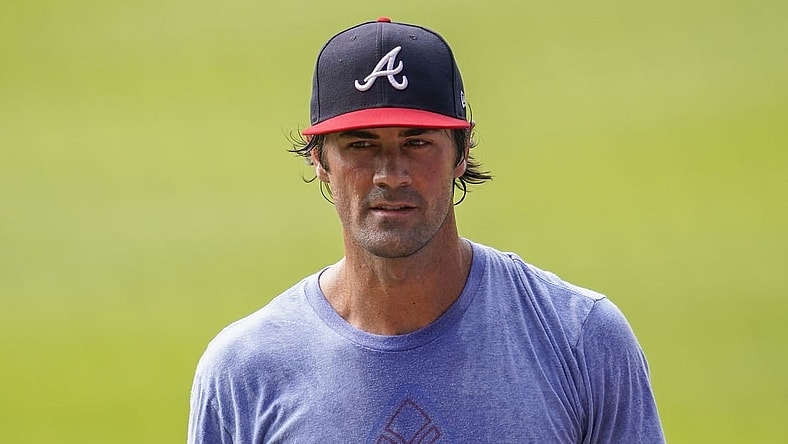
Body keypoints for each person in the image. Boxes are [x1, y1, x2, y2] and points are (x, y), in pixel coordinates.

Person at [187, 17, 665, 443]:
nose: (390, 174)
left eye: (416, 143)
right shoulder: (242, 371)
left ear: (461, 152)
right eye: (360, 145)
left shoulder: (580, 339)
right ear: (320, 160)